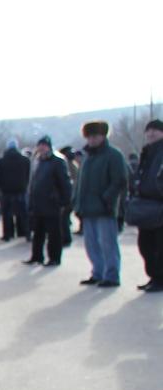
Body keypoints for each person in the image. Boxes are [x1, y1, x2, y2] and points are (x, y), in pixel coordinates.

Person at [74, 120, 130, 288]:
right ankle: (97, 273)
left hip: (105, 208)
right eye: (89, 136)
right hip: (88, 208)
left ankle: (112, 275)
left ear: (103, 136)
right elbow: (80, 183)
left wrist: (107, 199)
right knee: (91, 244)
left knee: (108, 244)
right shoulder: (87, 157)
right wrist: (77, 203)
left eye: (95, 136)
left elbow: (119, 180)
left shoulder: (113, 155)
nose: (92, 140)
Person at [25, 137, 72, 268]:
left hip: (52, 203)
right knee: (38, 232)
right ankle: (37, 256)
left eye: (44, 146)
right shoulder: (37, 161)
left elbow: (65, 182)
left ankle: (54, 257)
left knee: (54, 233)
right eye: (39, 145)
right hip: (38, 203)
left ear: (49, 147)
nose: (41, 148)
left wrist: (64, 200)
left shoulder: (57, 161)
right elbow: (33, 182)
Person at [134, 119, 163, 293]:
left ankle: (160, 278)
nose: (151, 133)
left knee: (159, 245)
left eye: (156, 130)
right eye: (149, 130)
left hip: (159, 204)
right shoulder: (147, 151)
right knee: (145, 244)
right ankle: (153, 276)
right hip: (146, 204)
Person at [0, 140, 31, 241]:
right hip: (21, 190)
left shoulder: (2, 161)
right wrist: (25, 185)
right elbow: (29, 175)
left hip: (7, 192)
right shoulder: (25, 160)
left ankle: (7, 235)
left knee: (6, 215)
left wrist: (2, 188)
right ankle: (28, 234)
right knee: (24, 214)